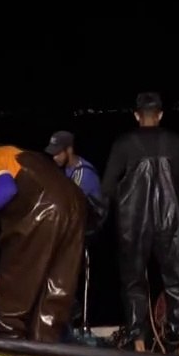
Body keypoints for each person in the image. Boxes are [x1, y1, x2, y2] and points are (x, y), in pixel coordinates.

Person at [0, 133, 85, 342]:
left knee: (12, 296)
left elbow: (6, 189)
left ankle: (10, 345)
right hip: (76, 211)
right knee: (56, 289)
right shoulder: (28, 157)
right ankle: (45, 349)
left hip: (45, 212)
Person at [101, 91, 179, 355]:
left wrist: (126, 205)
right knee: (176, 282)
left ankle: (140, 344)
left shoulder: (124, 143)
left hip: (133, 224)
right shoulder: (176, 142)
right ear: (160, 115)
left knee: (134, 282)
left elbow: (107, 186)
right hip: (171, 222)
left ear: (136, 116)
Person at [46, 130, 107, 333]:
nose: (54, 157)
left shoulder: (83, 173)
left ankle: (73, 310)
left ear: (69, 150)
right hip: (75, 222)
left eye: (57, 153)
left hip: (90, 226)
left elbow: (71, 205)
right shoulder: (66, 170)